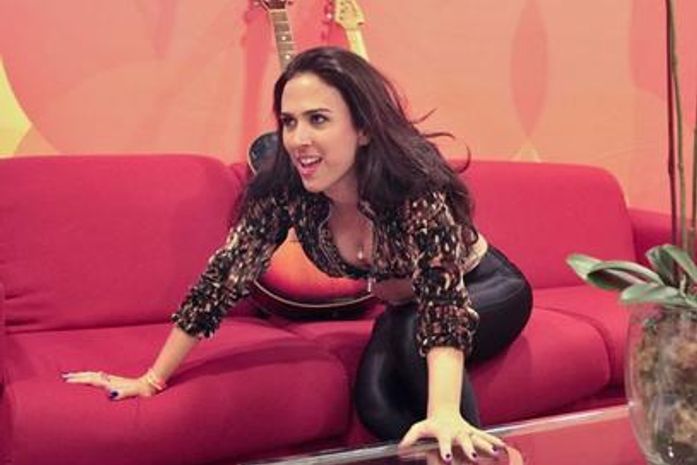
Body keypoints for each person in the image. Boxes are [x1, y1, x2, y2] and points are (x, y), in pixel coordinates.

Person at [63, 46, 532, 462]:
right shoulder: (287, 190)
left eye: (318, 119)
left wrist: (446, 413)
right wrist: (151, 379)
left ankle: (471, 452)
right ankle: (494, 456)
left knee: (414, 340)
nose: (298, 139)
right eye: (289, 121)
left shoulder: (411, 185)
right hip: (404, 308)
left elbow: (442, 301)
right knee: (374, 403)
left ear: (363, 128)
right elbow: (224, 278)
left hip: (486, 286)